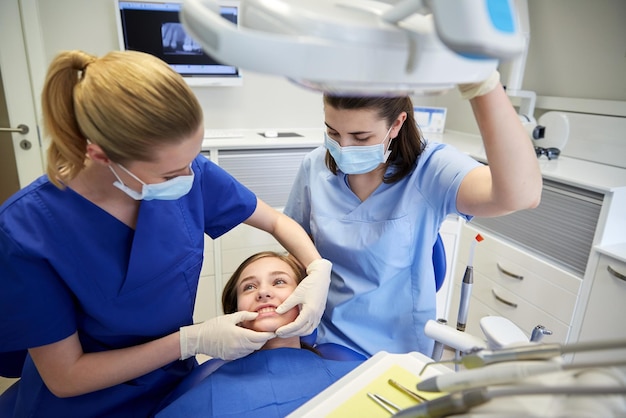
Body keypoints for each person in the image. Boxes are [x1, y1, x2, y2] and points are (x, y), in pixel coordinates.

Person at [0, 50, 331, 417]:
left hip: (175, 386)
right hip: (85, 403)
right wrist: (193, 340)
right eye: (171, 175)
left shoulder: (186, 170)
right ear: (100, 155)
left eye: (193, 159)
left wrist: (317, 269)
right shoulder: (28, 231)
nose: (189, 179)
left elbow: (275, 221)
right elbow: (65, 378)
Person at [284, 71, 543, 358]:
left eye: (360, 137)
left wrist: (483, 86)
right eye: (333, 132)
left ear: (396, 125)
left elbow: (521, 195)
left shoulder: (430, 168)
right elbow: (295, 244)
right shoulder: (314, 166)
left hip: (395, 348)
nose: (342, 148)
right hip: (320, 335)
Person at [155, 251, 364, 418]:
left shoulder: (351, 370)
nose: (263, 292)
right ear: (234, 311)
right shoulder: (204, 385)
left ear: (310, 300)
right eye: (249, 287)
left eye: (279, 282)